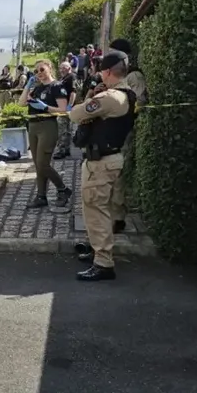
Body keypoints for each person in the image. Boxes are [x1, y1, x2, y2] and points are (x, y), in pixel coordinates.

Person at [68, 50, 137, 281]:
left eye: (101, 71)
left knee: (96, 211)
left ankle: (103, 263)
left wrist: (90, 98)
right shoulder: (127, 94)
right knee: (102, 210)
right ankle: (99, 251)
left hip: (101, 163)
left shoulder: (110, 97)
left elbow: (76, 114)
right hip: (109, 160)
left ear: (107, 72)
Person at [107, 38, 149, 232]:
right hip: (112, 131)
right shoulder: (115, 76)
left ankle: (117, 218)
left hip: (124, 131)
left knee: (118, 174)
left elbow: (140, 102)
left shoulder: (134, 77)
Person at [19, 60, 73, 209]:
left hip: (47, 126)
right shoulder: (37, 88)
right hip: (33, 126)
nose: (39, 73)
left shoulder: (56, 86)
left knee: (43, 164)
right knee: (38, 165)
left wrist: (45, 108)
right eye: (36, 71)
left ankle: (63, 189)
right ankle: (41, 196)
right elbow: (21, 103)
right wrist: (28, 86)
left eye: (42, 69)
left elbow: (63, 110)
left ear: (49, 68)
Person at [53, 61, 77, 159]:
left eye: (63, 68)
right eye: (60, 68)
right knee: (65, 130)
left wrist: (70, 105)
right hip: (62, 107)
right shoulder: (63, 78)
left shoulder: (71, 77)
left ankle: (61, 150)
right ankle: (65, 149)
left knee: (62, 129)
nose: (61, 70)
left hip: (67, 107)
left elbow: (73, 92)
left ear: (69, 68)